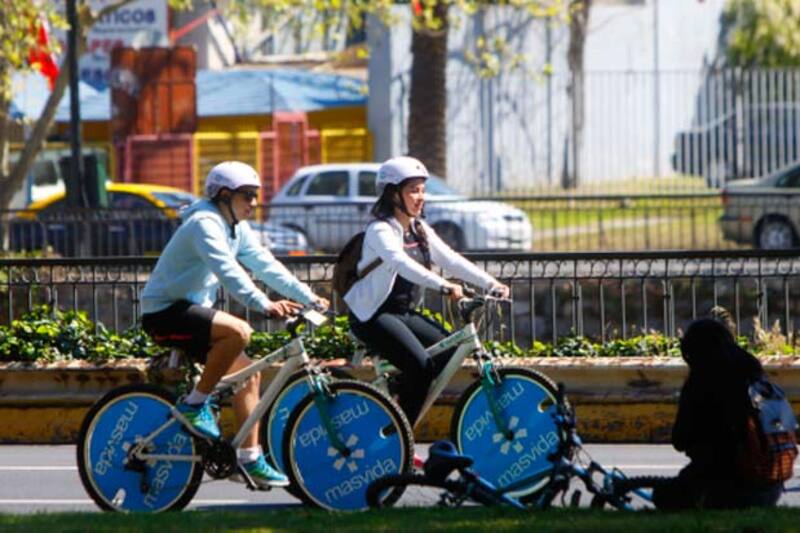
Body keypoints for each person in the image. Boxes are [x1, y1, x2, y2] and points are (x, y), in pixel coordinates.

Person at [140, 161, 329, 488]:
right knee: (239, 331)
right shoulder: (203, 224)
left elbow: (266, 265)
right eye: (247, 196)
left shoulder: (234, 227)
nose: (254, 203)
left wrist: (309, 297)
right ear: (225, 195)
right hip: (164, 313)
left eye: (256, 196)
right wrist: (264, 303)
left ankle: (249, 459)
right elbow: (228, 270)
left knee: (249, 375)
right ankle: (194, 405)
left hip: (191, 311)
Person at [344, 156, 510, 453]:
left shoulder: (418, 228)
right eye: (413, 190)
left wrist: (490, 284)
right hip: (372, 316)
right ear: (393, 194)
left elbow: (450, 259)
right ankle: (398, 442)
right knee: (420, 368)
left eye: (422, 190)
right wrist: (444, 286)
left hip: (402, 312)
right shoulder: (380, 230)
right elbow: (401, 263)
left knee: (448, 353)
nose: (420, 197)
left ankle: (396, 398)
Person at [652, 318, 783, 510]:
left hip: (725, 486)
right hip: (771, 487)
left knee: (663, 495)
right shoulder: (756, 378)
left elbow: (680, 440)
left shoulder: (701, 382)